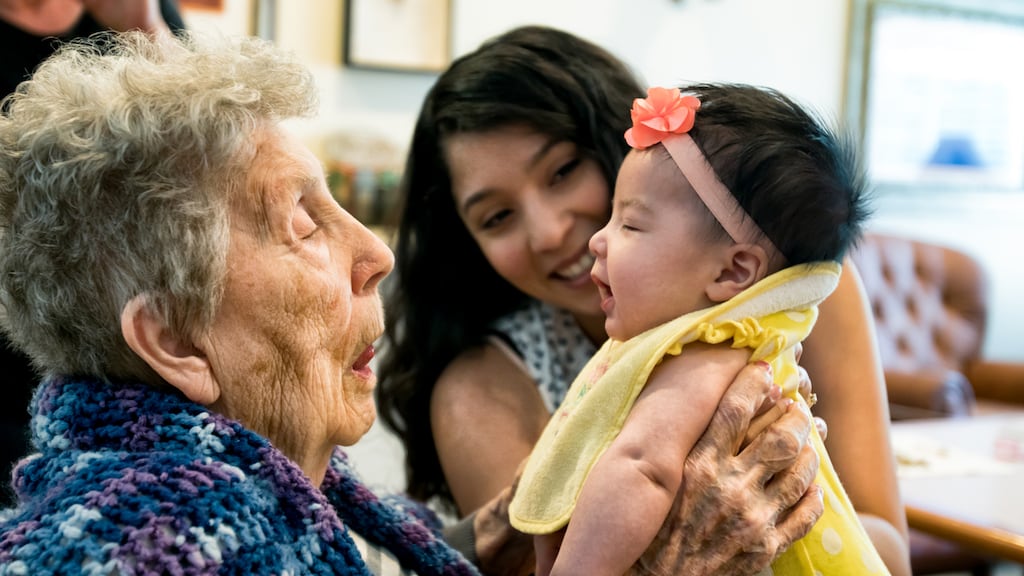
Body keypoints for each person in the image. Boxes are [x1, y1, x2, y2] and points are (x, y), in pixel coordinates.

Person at [0, 29, 822, 576]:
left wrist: (492, 530)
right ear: (175, 339)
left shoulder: (247, 483)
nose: (377, 255)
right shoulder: (167, 541)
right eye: (302, 224)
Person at [376, 24, 911, 576]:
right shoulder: (481, 389)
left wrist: (788, 513)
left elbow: (889, 555)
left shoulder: (789, 295)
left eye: (563, 171)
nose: (551, 233)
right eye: (497, 217)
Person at [508, 82, 886, 576]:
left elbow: (642, 469)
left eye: (630, 225)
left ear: (732, 272)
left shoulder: (709, 353)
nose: (598, 240)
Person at [0, 0, 186, 508]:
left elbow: (208, 147)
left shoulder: (138, 16)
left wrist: (144, 28)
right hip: (12, 340)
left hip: (125, 347)